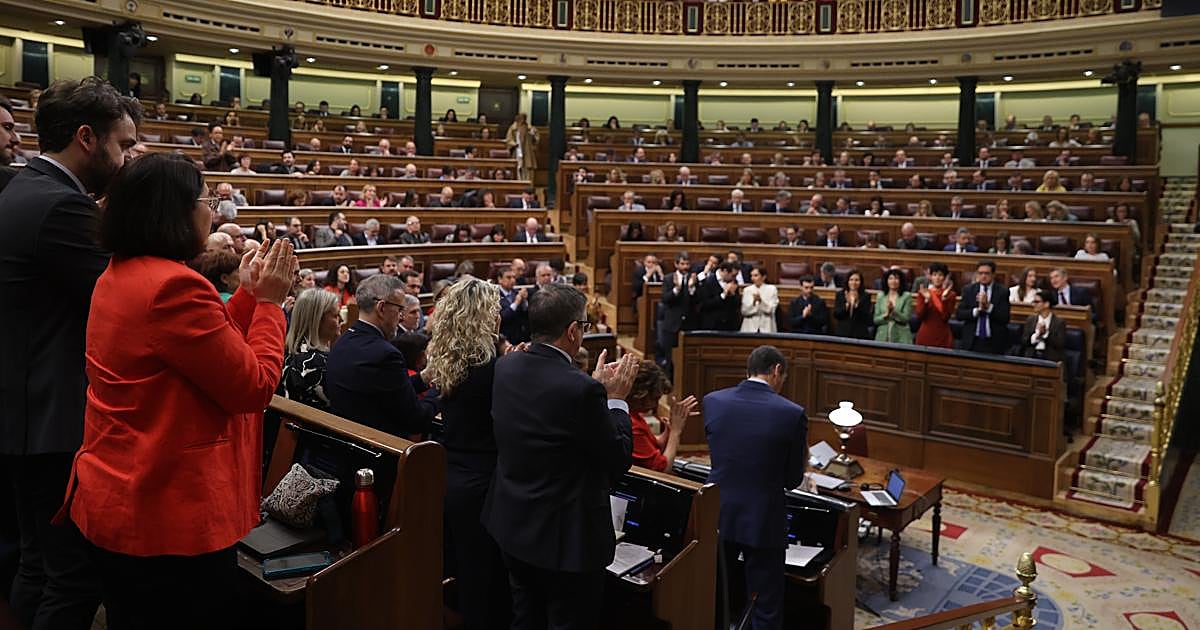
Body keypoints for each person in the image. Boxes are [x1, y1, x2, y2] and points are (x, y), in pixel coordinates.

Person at [65, 154, 295, 627]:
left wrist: (249, 293)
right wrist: (271, 304)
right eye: (205, 200)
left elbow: (204, 349)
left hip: (120, 493)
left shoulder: (124, 272)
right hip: (165, 512)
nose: (212, 211)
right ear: (172, 211)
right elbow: (252, 386)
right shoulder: (173, 287)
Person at [0, 77, 140, 629]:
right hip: (50, 423)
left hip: (25, 412)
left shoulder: (23, 187)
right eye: (123, 145)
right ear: (87, 137)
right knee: (72, 580)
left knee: (38, 565)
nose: (129, 156)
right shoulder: (60, 206)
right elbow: (125, 295)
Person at [483, 284, 639, 629]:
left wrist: (593, 388)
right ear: (572, 331)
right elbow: (617, 460)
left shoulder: (505, 367)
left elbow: (551, 406)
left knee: (526, 619)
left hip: (513, 524)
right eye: (583, 326)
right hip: (565, 542)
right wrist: (614, 400)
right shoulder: (582, 390)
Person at [419, 278, 512, 630]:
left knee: (466, 571)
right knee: (485, 580)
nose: (500, 316)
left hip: (452, 473)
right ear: (482, 316)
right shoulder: (492, 369)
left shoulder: (449, 357)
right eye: (496, 310)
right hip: (484, 482)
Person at [704, 345, 808, 630]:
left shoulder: (713, 401)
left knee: (717, 596)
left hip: (718, 514)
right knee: (766, 605)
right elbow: (792, 480)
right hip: (764, 520)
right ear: (776, 371)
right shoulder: (792, 413)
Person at [326, 274, 438, 439]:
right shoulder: (386, 354)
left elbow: (389, 388)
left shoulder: (344, 339)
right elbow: (416, 420)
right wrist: (439, 390)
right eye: (400, 309)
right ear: (381, 308)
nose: (401, 316)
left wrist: (423, 378)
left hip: (347, 440)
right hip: (381, 450)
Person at [624, 361, 698, 472]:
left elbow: (654, 447)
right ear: (640, 394)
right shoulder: (630, 424)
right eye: (654, 399)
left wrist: (670, 429)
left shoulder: (634, 415)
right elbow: (662, 469)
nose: (656, 405)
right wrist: (675, 432)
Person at [281, 287, 341, 411]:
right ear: (317, 320)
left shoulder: (289, 350)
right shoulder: (315, 363)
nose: (342, 320)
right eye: (336, 316)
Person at [957, 260, 1010, 354]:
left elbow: (1005, 318)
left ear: (993, 275)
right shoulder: (968, 290)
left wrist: (989, 307)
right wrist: (976, 311)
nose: (983, 276)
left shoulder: (1002, 291)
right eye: (980, 273)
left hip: (993, 343)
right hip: (972, 341)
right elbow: (959, 314)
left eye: (987, 273)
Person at [658, 252, 695, 368]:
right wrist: (677, 289)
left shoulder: (693, 279)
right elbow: (665, 299)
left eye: (687, 264)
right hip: (672, 324)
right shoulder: (669, 279)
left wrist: (691, 288)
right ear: (676, 264)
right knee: (670, 358)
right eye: (682, 264)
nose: (685, 267)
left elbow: (698, 301)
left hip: (689, 323)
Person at [914, 262, 957, 349]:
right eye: (934, 275)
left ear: (945, 277)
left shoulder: (951, 295)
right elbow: (920, 316)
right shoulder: (923, 293)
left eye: (940, 275)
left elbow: (945, 317)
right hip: (926, 334)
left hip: (943, 335)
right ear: (930, 277)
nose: (937, 278)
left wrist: (944, 299)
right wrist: (926, 300)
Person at [1020, 290, 1066, 362]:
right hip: (1032, 356)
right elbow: (1024, 341)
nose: (1034, 304)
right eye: (1033, 302)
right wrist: (1036, 336)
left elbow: (1060, 344)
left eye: (1037, 302)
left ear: (1046, 304)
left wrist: (1045, 334)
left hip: (1050, 358)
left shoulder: (1059, 322)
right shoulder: (1031, 320)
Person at [695, 261, 741, 331]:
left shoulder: (734, 282)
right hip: (712, 325)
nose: (734, 278)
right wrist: (723, 295)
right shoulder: (707, 282)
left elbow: (737, 304)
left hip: (729, 326)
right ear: (725, 271)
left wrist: (733, 294)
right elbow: (705, 304)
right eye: (733, 275)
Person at [874, 269, 913, 344]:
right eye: (890, 278)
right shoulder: (880, 296)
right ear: (886, 281)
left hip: (901, 336)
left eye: (896, 278)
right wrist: (886, 315)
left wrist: (893, 311)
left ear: (901, 281)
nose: (893, 281)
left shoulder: (906, 296)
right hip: (882, 336)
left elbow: (906, 319)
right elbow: (876, 320)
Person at [833, 270, 872, 339]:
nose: (854, 282)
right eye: (851, 280)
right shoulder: (840, 294)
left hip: (859, 334)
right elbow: (836, 315)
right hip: (842, 333)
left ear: (861, 282)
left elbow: (867, 318)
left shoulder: (865, 296)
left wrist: (856, 305)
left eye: (857, 280)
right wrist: (847, 305)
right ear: (847, 281)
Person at [497, 266, 531, 344]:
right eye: (508, 277)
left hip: (520, 337)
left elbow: (526, 315)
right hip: (504, 339)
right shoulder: (495, 296)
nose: (512, 280)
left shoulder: (517, 293)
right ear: (500, 279)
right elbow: (502, 317)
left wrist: (525, 301)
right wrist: (516, 303)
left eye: (514, 277)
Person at [740, 266, 778, 333]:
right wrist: (754, 303)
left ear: (763, 277)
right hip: (749, 327)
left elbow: (771, 310)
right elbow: (744, 311)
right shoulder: (747, 290)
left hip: (766, 327)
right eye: (751, 276)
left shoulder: (772, 289)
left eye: (756, 275)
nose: (752, 278)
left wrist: (761, 301)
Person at [505, 112, 538, 179]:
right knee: (517, 168)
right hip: (517, 151)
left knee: (527, 169)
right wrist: (514, 144)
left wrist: (533, 135)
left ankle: (527, 186)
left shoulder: (530, 128)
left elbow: (536, 140)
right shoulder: (513, 128)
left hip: (527, 151)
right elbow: (508, 139)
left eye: (524, 118)